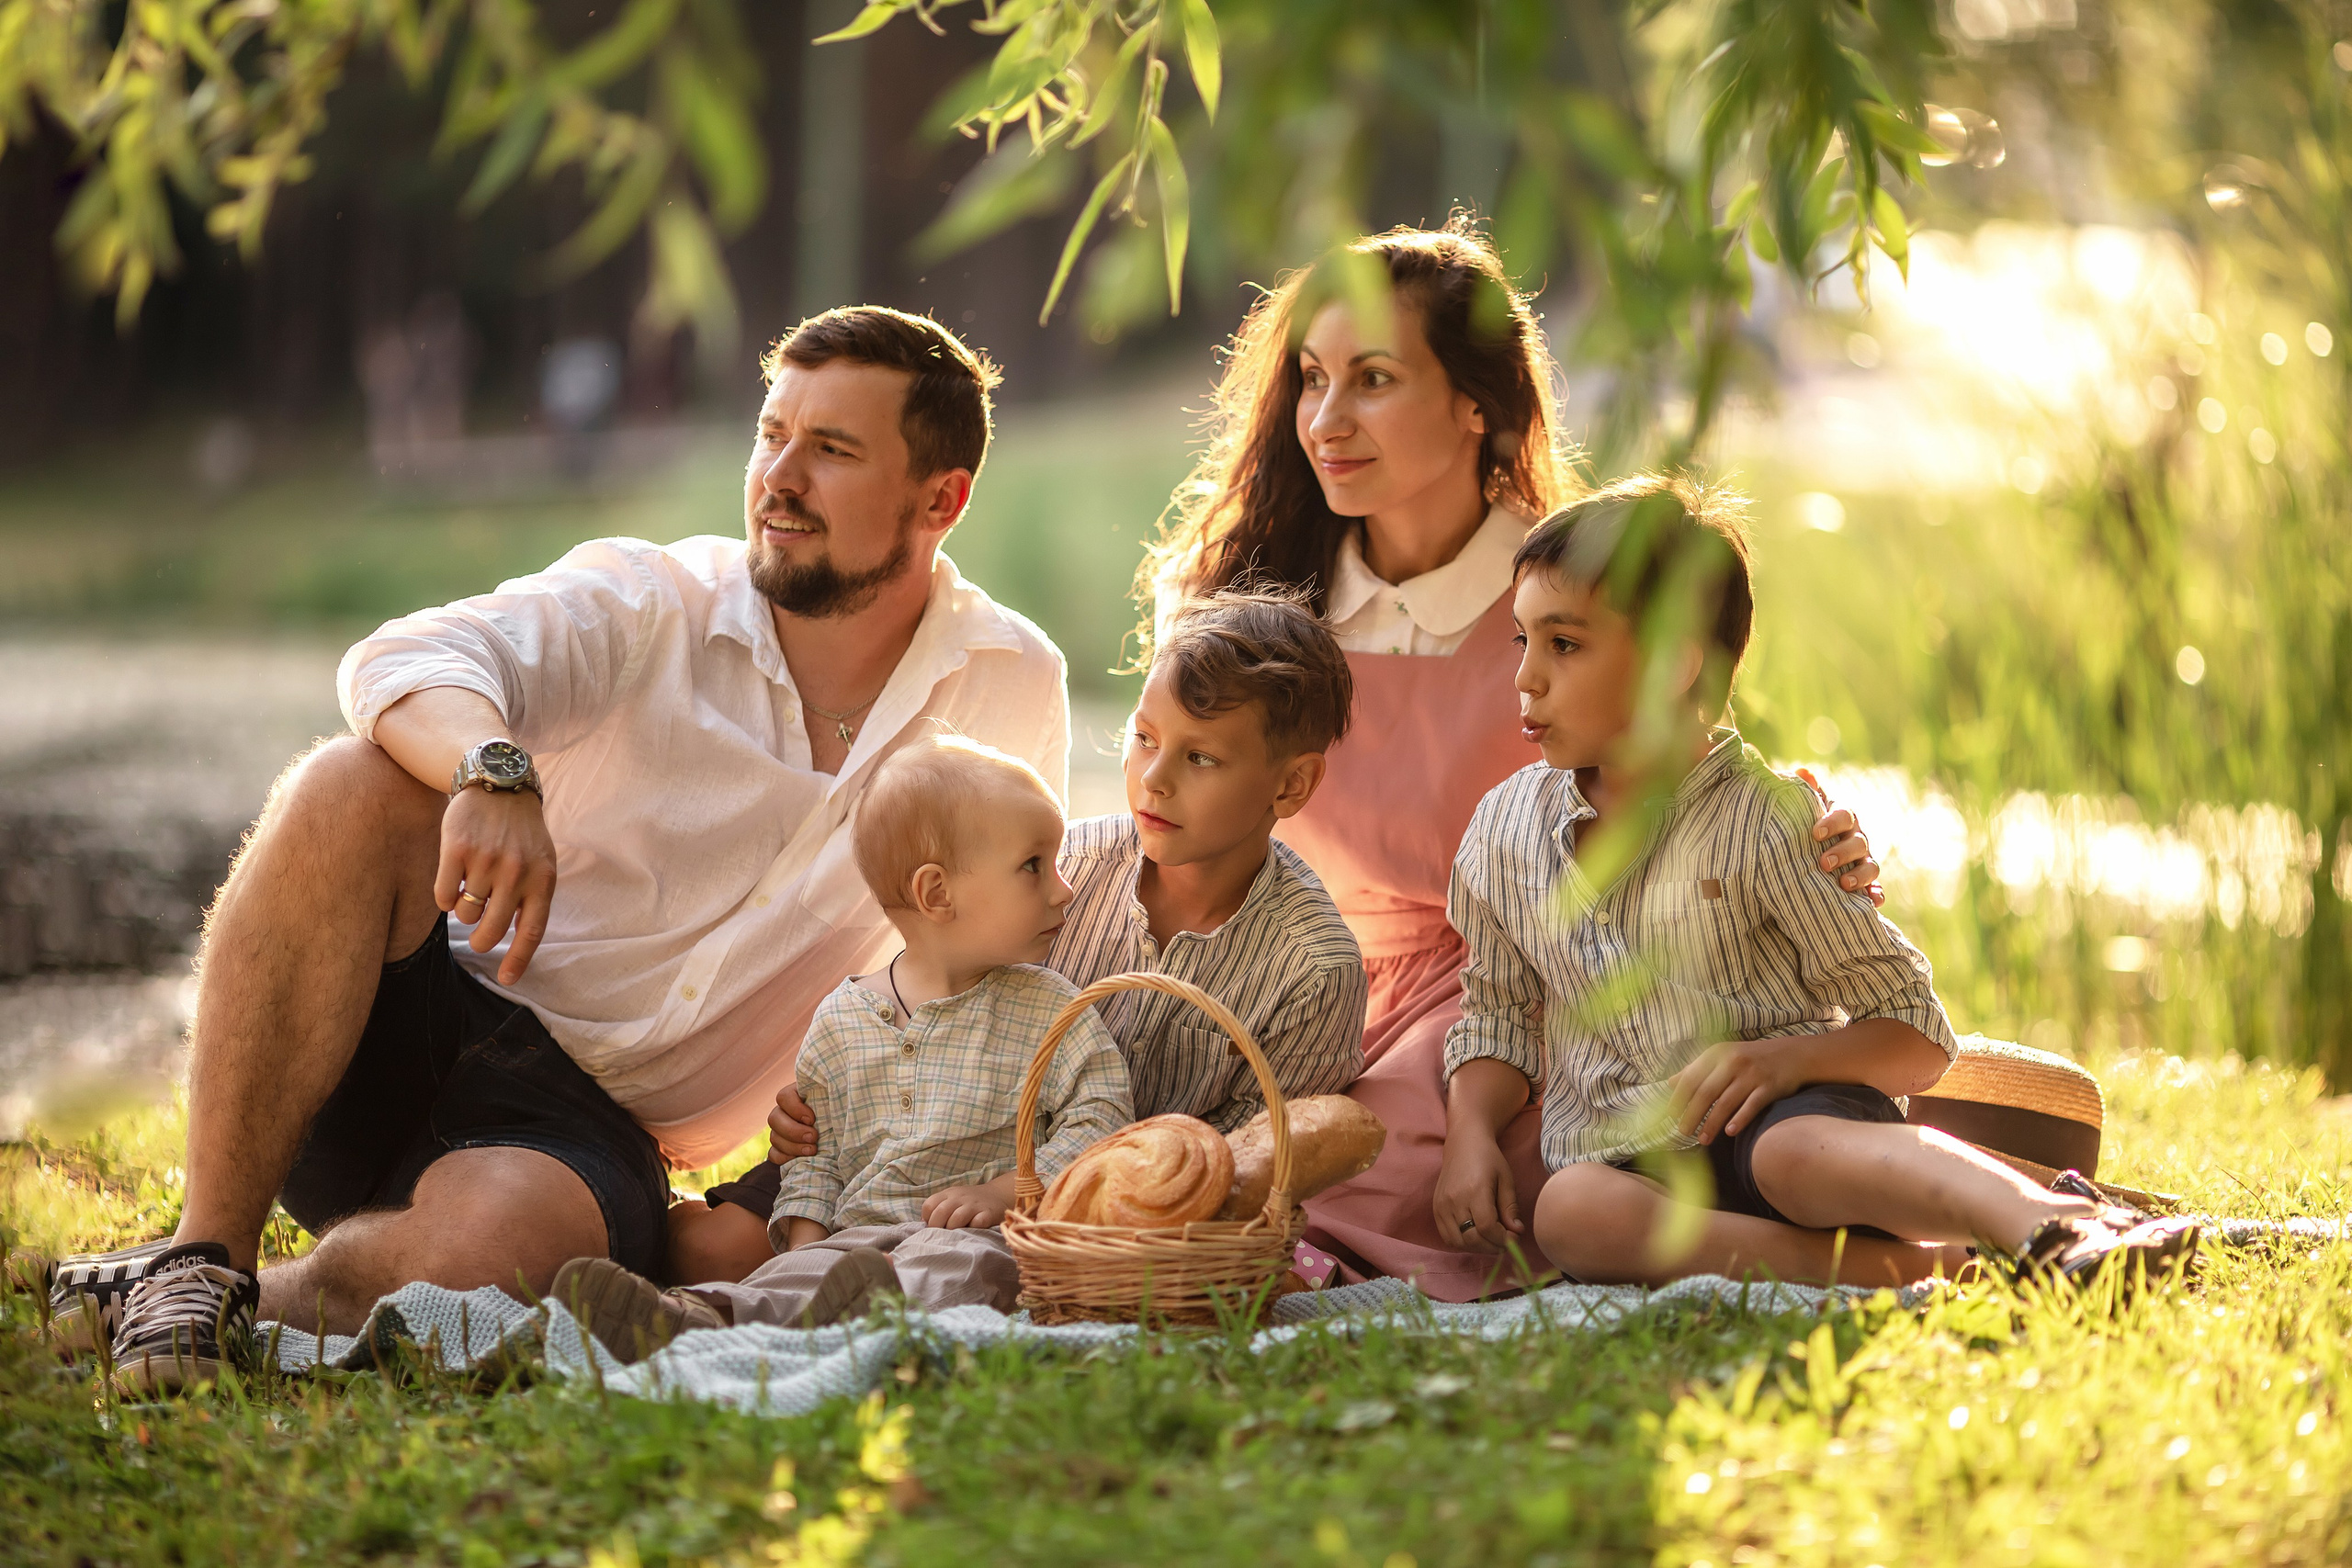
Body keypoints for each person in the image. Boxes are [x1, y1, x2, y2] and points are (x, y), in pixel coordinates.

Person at [66, 307, 1072, 1394]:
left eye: (831, 451)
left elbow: (983, 950)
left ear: (941, 499)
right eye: (771, 435)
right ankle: (202, 1251)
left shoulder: (1004, 685)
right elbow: (403, 657)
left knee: (487, 1259)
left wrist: (770, 1194)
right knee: (349, 782)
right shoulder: (651, 600)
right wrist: (491, 770)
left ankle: (191, 1297)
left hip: (587, 1133)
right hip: (389, 1014)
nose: (779, 478)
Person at [1138, 217, 1883, 1300]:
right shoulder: (1236, 602)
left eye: (1374, 380)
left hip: (1507, 999)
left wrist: (1813, 821)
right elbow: (1177, 839)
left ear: (1473, 405)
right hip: (1281, 977)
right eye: (1310, 380)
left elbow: (1686, 773)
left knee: (1361, 1159)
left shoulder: (1562, 592)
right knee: (1162, 1145)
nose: (1326, 421)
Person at [1435, 477, 2200, 1289]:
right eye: (1520, 641)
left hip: (1795, 1130)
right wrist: (1469, 1135)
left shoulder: (1770, 819)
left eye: (1564, 644)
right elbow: (1497, 1011)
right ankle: (1912, 1267)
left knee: (1794, 1154)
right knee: (1571, 1211)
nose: (1525, 678)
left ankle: (2056, 1224)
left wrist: (1784, 1062)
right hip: (1640, 1166)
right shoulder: (1504, 830)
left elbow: (1915, 1034)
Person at [681, 589, 1367, 1283]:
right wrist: (835, 1103)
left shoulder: (1314, 969)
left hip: (1095, 1219)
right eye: (1145, 738)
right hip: (927, 1153)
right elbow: (941, 989)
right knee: (714, 1253)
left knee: (941, 1278)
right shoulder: (1067, 865)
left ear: (1291, 784)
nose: (1153, 780)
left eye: (1201, 759)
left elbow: (1251, 1171)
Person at [552, 735, 1132, 1353]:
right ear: (937, 894)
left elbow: (1102, 1121)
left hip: (982, 1234)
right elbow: (815, 1157)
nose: (1065, 888)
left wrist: (1004, 1193)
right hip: (854, 1241)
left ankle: (835, 1326)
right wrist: (808, 1249)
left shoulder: (1052, 1009)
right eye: (1034, 864)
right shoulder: (842, 1020)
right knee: (784, 1279)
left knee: (966, 1265)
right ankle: (696, 1321)